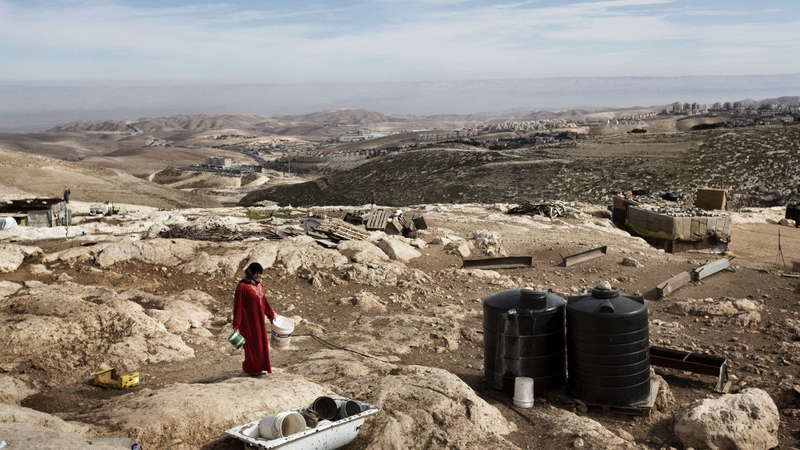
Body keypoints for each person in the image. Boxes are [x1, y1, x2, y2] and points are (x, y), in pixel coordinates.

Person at [232, 262, 276, 375]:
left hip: (259, 322)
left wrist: (270, 315)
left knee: (261, 345)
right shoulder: (242, 286)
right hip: (248, 322)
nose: (258, 276)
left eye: (260, 273)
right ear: (251, 273)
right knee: (251, 346)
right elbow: (238, 306)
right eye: (256, 273)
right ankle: (251, 369)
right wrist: (236, 325)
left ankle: (261, 367)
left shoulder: (259, 285)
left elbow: (264, 302)